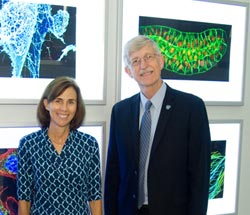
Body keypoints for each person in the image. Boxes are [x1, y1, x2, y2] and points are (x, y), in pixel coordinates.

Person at [104, 35, 211, 215]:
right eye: (135, 61)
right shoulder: (120, 112)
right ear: (129, 71)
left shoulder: (191, 108)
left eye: (148, 57)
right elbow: (113, 174)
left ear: (161, 61)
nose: (143, 65)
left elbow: (199, 176)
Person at [17, 76, 102, 215]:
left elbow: (94, 196)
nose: (64, 108)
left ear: (77, 106)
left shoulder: (89, 144)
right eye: (58, 101)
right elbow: (24, 199)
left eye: (71, 102)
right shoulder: (29, 144)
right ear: (46, 104)